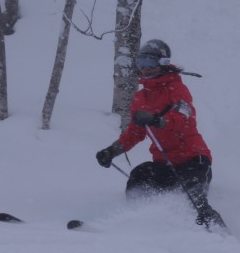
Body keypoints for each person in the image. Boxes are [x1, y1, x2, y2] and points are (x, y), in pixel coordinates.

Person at [95, 39, 226, 229]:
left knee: (193, 197)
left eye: (150, 63)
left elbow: (184, 118)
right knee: (140, 176)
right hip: (164, 164)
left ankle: (221, 237)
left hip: (193, 160)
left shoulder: (178, 90)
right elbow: (134, 133)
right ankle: (136, 225)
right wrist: (111, 151)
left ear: (163, 64)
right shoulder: (140, 98)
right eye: (141, 63)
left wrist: (158, 120)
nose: (145, 69)